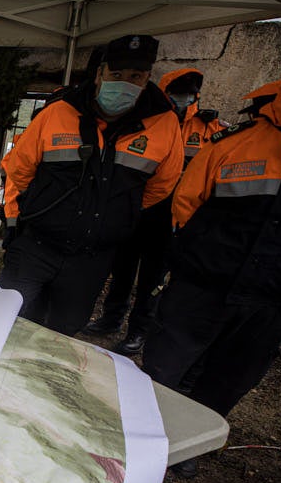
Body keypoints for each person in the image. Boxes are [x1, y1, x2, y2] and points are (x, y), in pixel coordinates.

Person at [142, 44, 281, 477]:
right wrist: (198, 258)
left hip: (278, 298)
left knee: (231, 376)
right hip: (204, 286)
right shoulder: (235, 144)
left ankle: (189, 443)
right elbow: (186, 203)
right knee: (165, 364)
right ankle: (140, 434)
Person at [0, 34, 183, 336]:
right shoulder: (59, 112)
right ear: (100, 74)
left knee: (64, 332)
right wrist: (43, 208)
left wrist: (113, 214)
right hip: (37, 245)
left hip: (92, 258)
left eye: (135, 76)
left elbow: (161, 186)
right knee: (4, 318)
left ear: (147, 78)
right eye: (116, 74)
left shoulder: (164, 124)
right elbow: (19, 170)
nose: (125, 84)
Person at [85, 68, 227, 354]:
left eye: (189, 95)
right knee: (122, 268)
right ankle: (111, 319)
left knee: (154, 278)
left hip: (173, 217)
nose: (183, 100)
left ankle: (139, 330)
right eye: (177, 94)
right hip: (139, 208)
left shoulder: (209, 129)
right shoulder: (147, 122)